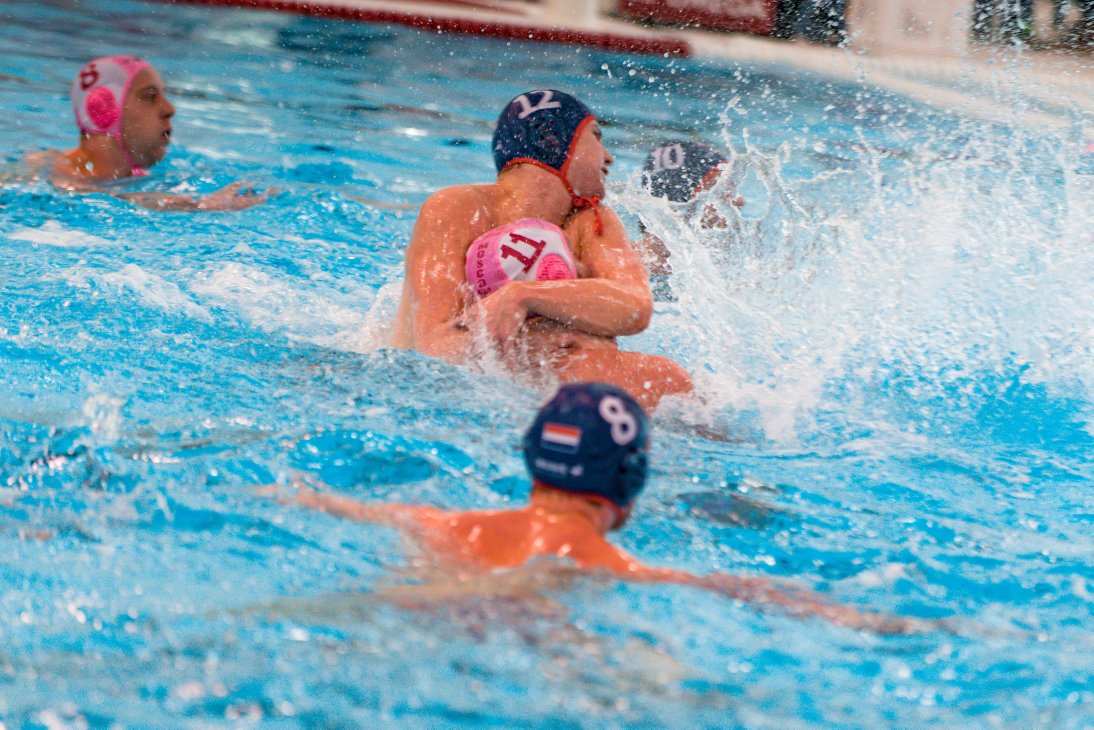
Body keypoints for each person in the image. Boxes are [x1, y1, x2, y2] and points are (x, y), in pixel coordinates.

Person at [271, 382, 928, 634]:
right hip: (520, 626)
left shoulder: (435, 520)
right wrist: (873, 620)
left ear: (533, 458)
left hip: (398, 610)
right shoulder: (613, 565)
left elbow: (299, 501)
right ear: (630, 477)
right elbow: (744, 591)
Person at [391, 89, 692, 411]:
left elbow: (635, 308)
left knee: (667, 381)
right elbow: (434, 349)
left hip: (535, 391)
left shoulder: (592, 221)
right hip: (431, 394)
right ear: (551, 140)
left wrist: (522, 296)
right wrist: (534, 341)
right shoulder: (457, 208)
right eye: (595, 137)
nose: (609, 157)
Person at [29, 55, 266, 212]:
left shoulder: (140, 180)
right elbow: (77, 193)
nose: (169, 109)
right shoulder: (45, 167)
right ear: (103, 109)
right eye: (151, 96)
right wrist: (198, 206)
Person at [635, 140, 744, 294]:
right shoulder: (620, 268)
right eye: (720, 187)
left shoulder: (710, 267)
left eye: (732, 187)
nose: (739, 200)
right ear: (682, 197)